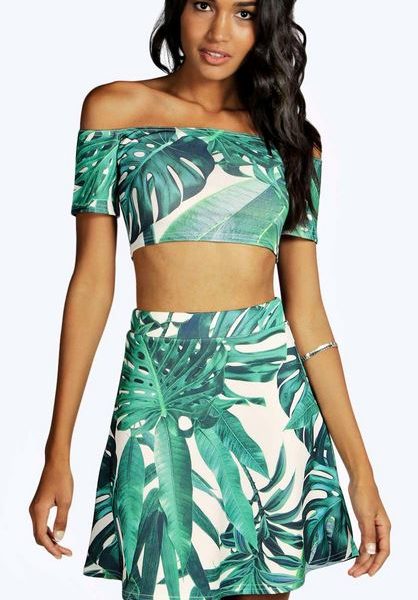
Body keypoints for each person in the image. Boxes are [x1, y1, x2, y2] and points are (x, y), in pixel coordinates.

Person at [28, 1, 391, 599]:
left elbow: (307, 313)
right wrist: (56, 450)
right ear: (176, 11)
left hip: (269, 399)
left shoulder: (293, 142)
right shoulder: (114, 110)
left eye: (244, 12)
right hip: (161, 392)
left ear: (266, 25)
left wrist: (362, 472)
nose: (220, 30)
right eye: (204, 5)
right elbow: (91, 282)